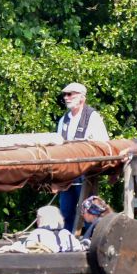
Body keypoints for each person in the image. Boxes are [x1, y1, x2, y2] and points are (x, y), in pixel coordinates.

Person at [55, 81, 110, 226]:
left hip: (86, 172)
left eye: (70, 94)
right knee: (66, 211)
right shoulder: (63, 120)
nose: (66, 97)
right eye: (65, 95)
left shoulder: (93, 117)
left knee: (89, 211)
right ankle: (68, 242)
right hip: (66, 173)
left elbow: (104, 144)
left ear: (81, 98)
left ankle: (90, 239)